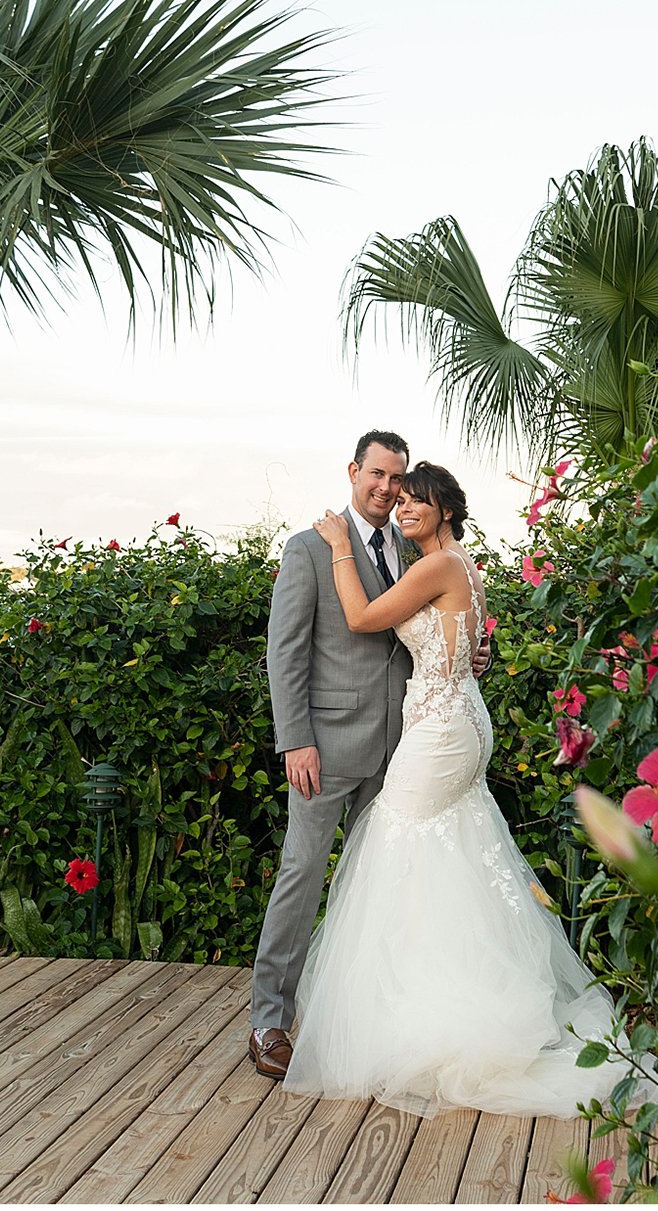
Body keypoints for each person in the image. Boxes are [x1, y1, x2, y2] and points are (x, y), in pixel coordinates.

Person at [281, 461, 636, 1118]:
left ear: (445, 509)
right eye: (402, 500)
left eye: (417, 500)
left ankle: (427, 1012)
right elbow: (464, 642)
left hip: (440, 730)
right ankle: (449, 985)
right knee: (451, 853)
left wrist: (337, 546)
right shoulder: (461, 566)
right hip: (458, 717)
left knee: (397, 840)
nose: (405, 508)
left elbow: (361, 616)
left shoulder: (437, 565)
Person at [248, 430, 416, 1081]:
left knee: (377, 884)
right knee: (302, 873)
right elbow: (285, 652)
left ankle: (362, 1015)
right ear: (354, 471)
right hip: (325, 748)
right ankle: (269, 1018)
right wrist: (296, 739)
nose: (386, 488)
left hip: (398, 750)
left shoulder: (414, 550)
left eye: (396, 478)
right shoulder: (309, 549)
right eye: (377, 474)